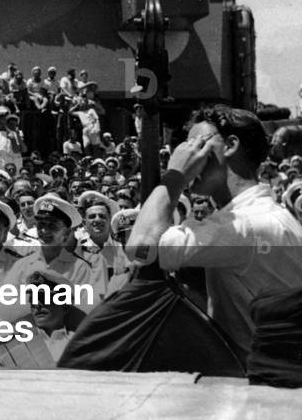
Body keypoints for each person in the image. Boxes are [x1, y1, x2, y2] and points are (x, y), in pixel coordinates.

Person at [126, 105, 302, 361]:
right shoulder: (265, 215)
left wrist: (176, 175)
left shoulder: (246, 225)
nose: (187, 154)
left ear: (230, 145)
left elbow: (140, 248)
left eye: (196, 145)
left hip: (263, 377)